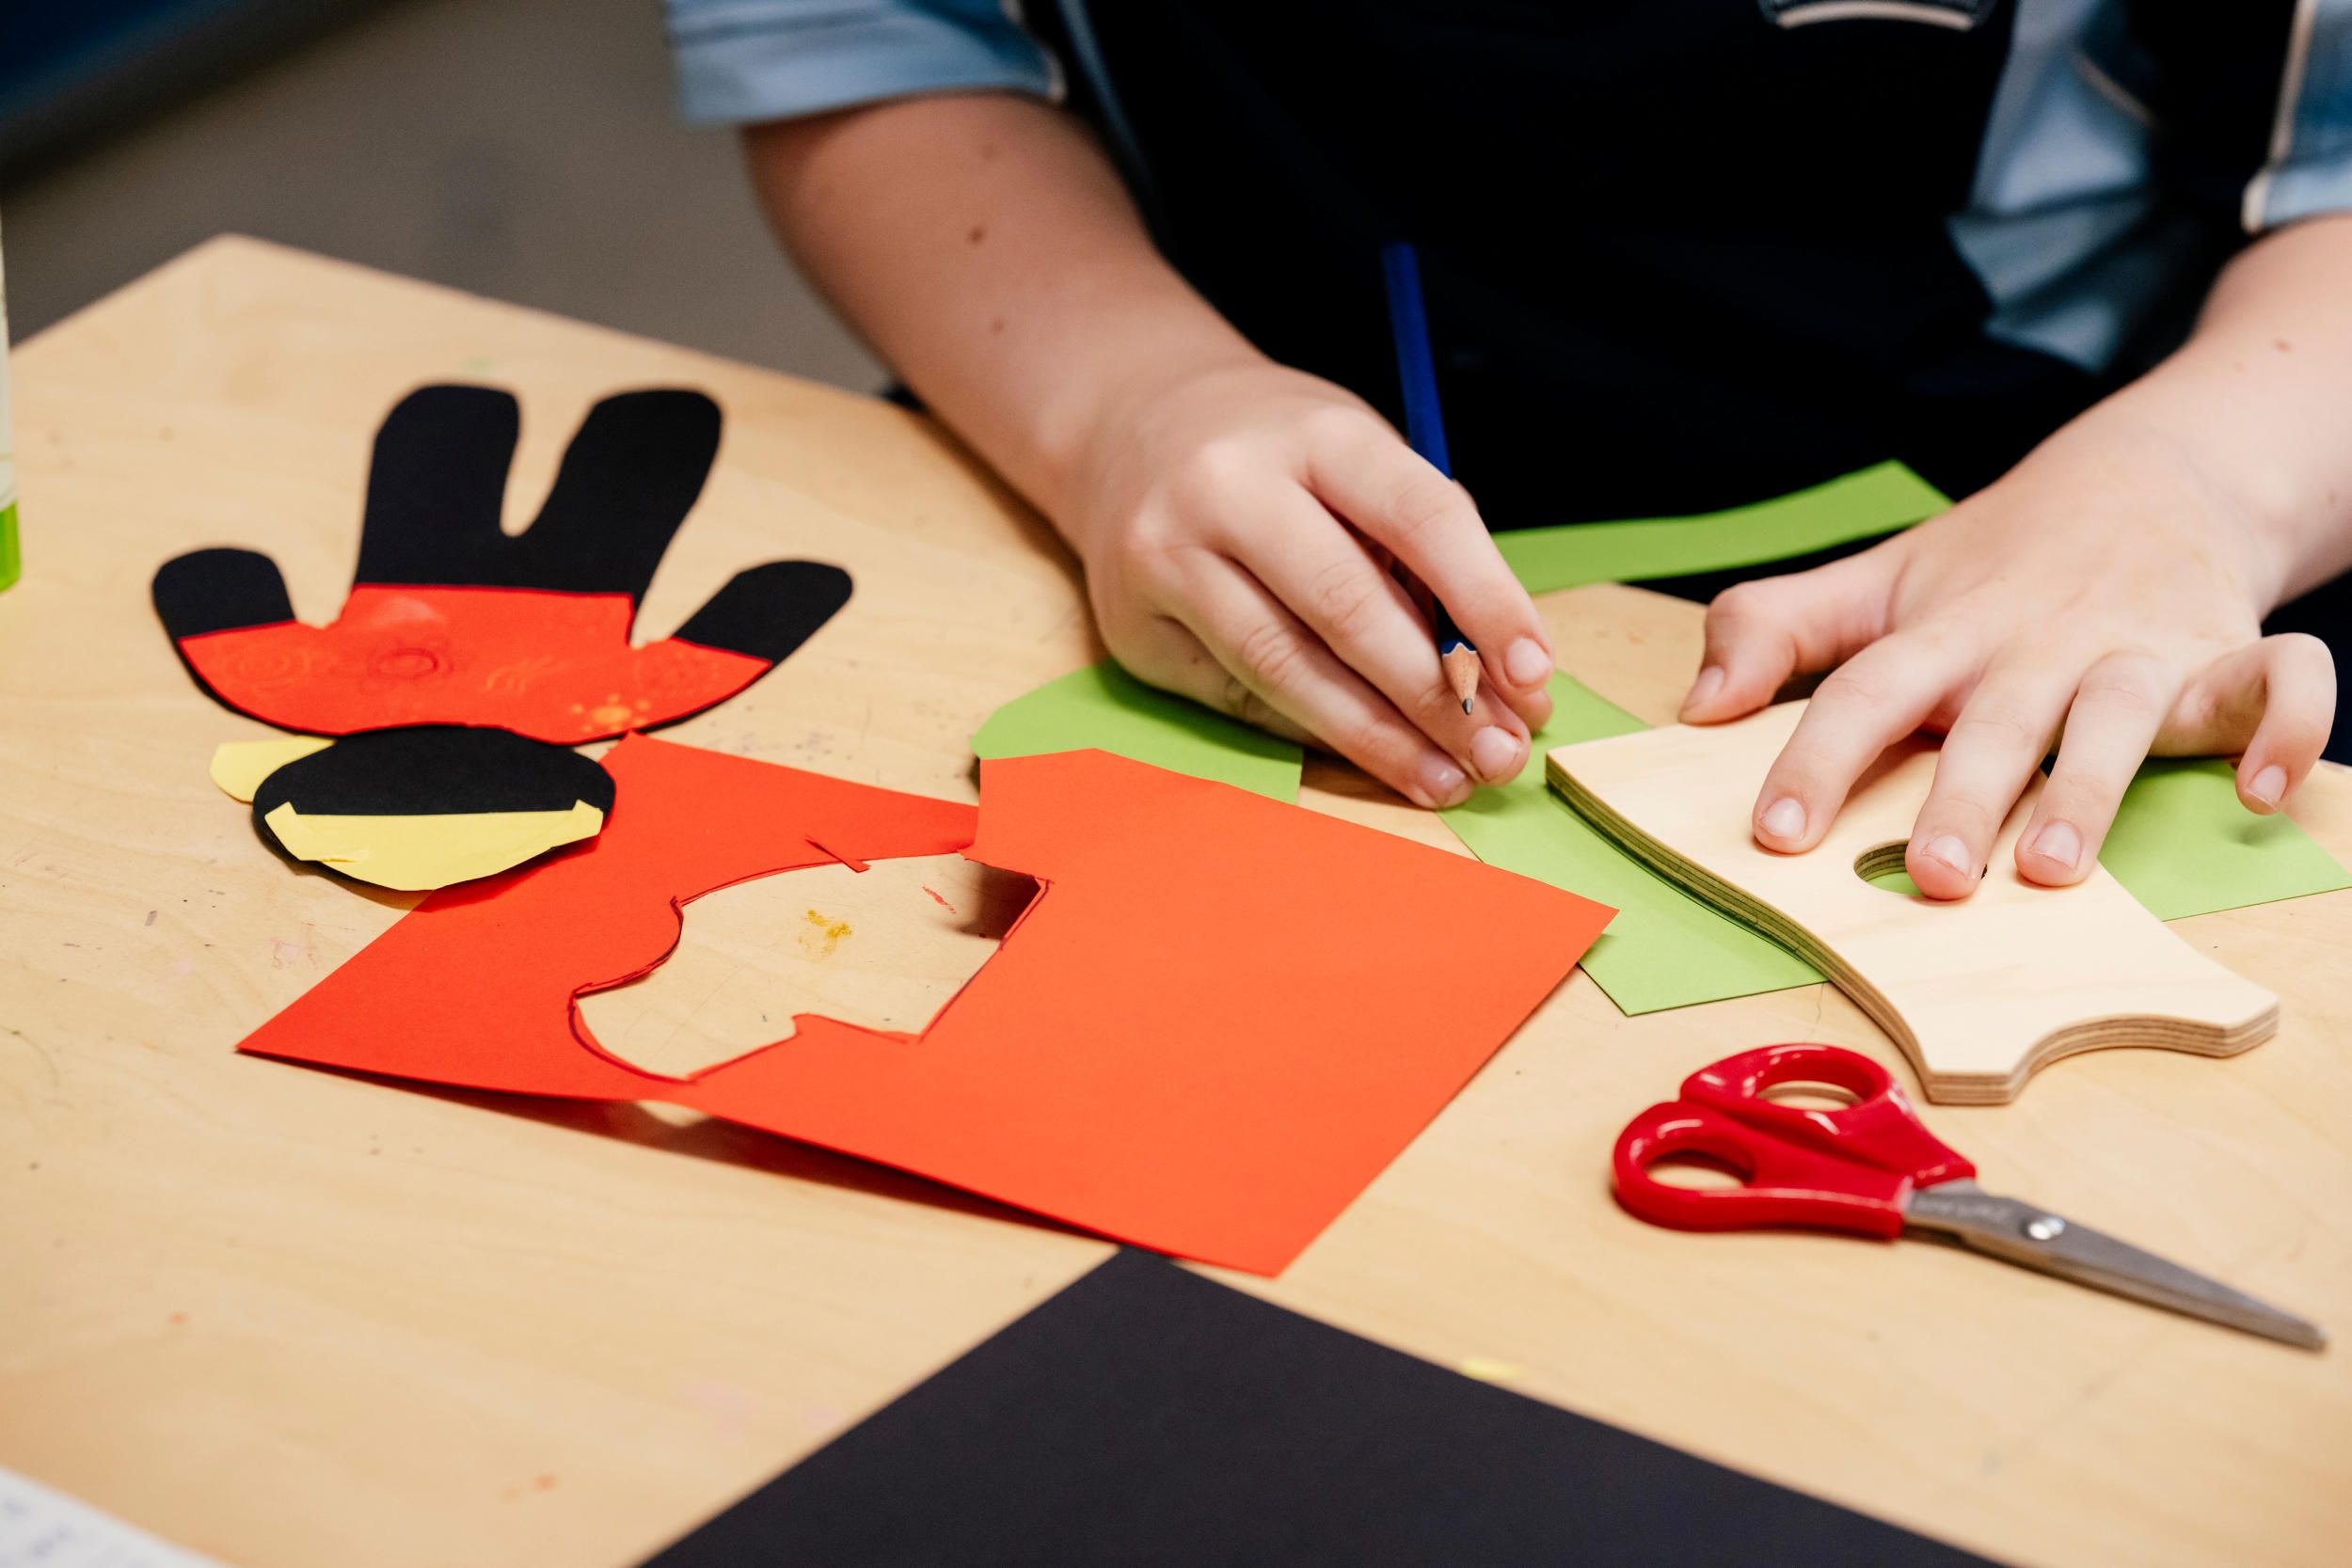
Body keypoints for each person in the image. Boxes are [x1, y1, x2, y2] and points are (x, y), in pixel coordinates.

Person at [662, 0, 2352, 901]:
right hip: (1202, 467)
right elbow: (875, 46)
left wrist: (2190, 489)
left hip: (2081, 519)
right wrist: (1121, 401)